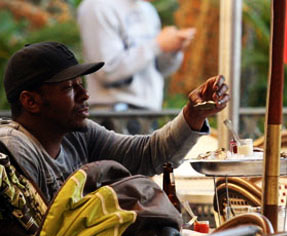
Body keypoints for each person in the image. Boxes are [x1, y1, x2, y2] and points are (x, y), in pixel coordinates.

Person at [0, 41, 228, 202]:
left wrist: (194, 114)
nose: (85, 95)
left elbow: (148, 155)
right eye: (69, 87)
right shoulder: (12, 150)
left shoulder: (80, 134)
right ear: (31, 101)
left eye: (81, 84)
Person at [77, 0, 196, 132]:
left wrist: (173, 49)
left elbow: (160, 69)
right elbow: (106, 70)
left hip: (148, 115)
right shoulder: (97, 6)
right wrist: (157, 45)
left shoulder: (147, 9)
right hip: (113, 116)